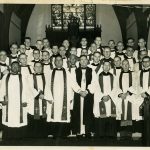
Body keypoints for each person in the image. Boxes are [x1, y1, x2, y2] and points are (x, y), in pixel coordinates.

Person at [46, 55, 84, 138]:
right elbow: (47, 86)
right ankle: (54, 134)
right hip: (53, 99)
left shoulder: (67, 72)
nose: (59, 62)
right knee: (54, 116)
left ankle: (63, 134)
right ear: (54, 62)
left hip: (64, 99)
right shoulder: (50, 72)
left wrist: (80, 91)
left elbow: (73, 83)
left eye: (60, 60)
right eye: (57, 60)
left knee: (63, 116)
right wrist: (48, 97)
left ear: (62, 62)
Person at [0, 61, 31, 140]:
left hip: (20, 104)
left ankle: (19, 138)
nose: (15, 67)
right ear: (10, 67)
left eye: (17, 66)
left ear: (19, 68)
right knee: (9, 120)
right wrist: (2, 99)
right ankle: (8, 138)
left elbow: (27, 90)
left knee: (19, 120)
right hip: (9, 104)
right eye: (13, 66)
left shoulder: (23, 77)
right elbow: (1, 89)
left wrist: (25, 100)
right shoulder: (5, 77)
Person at [72, 55, 99, 138]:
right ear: (79, 61)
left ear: (88, 61)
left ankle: (87, 131)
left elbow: (95, 82)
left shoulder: (92, 71)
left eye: (85, 60)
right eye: (81, 60)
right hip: (78, 94)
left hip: (88, 94)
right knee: (78, 112)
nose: (83, 61)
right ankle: (79, 132)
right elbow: (72, 82)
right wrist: (80, 91)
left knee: (88, 112)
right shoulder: (75, 71)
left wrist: (87, 91)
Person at [27, 62, 53, 138]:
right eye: (36, 66)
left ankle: (42, 134)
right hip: (33, 100)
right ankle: (33, 135)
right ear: (33, 68)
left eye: (40, 66)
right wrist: (38, 95)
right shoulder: (30, 76)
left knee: (43, 115)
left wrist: (49, 98)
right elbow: (30, 87)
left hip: (44, 99)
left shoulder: (46, 76)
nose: (38, 68)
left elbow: (48, 88)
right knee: (33, 115)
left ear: (42, 67)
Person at [93, 61, 118, 139]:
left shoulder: (113, 76)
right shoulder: (97, 76)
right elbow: (96, 87)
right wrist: (102, 96)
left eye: (108, 65)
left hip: (111, 99)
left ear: (110, 67)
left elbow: (116, 88)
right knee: (101, 115)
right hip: (101, 98)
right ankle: (101, 134)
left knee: (110, 115)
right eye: (105, 65)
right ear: (102, 66)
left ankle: (111, 134)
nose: (106, 67)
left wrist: (109, 96)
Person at [116, 60, 137, 140]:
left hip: (130, 97)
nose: (125, 66)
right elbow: (116, 86)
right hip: (121, 97)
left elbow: (135, 85)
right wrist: (121, 94)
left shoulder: (134, 74)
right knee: (122, 114)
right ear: (121, 65)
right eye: (123, 64)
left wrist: (128, 93)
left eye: (126, 64)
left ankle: (129, 134)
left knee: (129, 113)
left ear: (129, 65)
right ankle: (122, 134)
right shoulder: (118, 75)